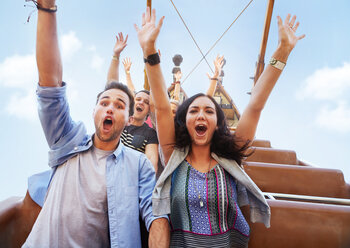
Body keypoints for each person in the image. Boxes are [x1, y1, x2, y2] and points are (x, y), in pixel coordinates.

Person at [135, 7, 304, 247]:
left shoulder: (230, 156)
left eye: (208, 111)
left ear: (217, 123)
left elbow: (255, 106)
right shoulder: (174, 155)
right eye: (193, 111)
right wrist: (149, 51)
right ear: (184, 122)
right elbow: (162, 108)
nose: (201, 115)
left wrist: (283, 51)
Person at [22, 1, 169, 247]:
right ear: (94, 111)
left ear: (129, 118)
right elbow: (50, 86)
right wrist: (47, 9)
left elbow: (156, 214)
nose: (110, 107)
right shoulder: (67, 141)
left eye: (120, 105)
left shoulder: (138, 164)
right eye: (104, 102)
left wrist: (150, 53)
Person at [107, 34, 159, 173]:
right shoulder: (119, 121)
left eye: (146, 102)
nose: (141, 102)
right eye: (138, 99)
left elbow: (151, 166)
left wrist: (154, 66)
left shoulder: (150, 134)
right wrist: (116, 55)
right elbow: (111, 87)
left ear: (149, 110)